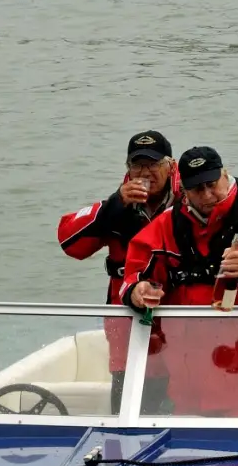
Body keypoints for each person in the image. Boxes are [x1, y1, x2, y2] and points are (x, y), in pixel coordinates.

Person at [120, 145, 238, 416]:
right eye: (197, 189)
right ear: (183, 188)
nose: (207, 195)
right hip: (189, 378)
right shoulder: (165, 225)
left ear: (225, 175)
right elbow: (133, 274)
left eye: (211, 184)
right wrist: (138, 290)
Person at [57, 130, 179, 411]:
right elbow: (70, 243)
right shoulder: (117, 205)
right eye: (137, 165)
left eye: (153, 164)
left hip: (177, 315)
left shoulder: (191, 200)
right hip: (127, 318)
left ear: (171, 166)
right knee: (126, 408)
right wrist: (114, 206)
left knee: (182, 410)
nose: (145, 172)